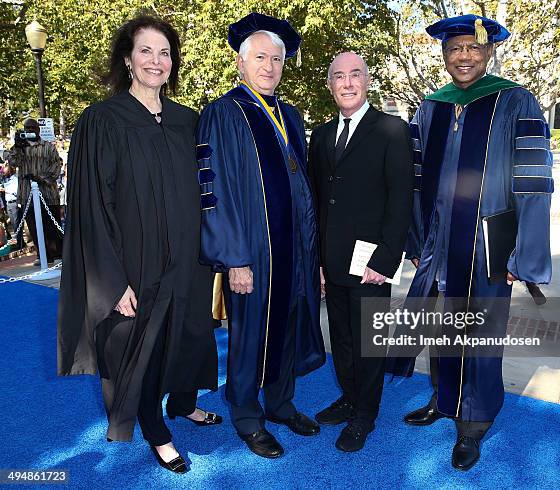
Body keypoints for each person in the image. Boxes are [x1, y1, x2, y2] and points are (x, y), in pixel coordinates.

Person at [388, 15, 553, 471]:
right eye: (454, 49)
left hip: (487, 242)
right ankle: (445, 401)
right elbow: (417, 178)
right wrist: (418, 238)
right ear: (443, 55)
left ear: (488, 52)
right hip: (441, 239)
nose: (463, 56)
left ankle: (474, 422)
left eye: (472, 48)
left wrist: (526, 251)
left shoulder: (514, 100)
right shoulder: (433, 106)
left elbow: (535, 180)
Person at [57, 16, 219, 474]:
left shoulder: (189, 121)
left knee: (189, 333)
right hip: (136, 263)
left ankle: (183, 401)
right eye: (146, 51)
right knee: (143, 345)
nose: (156, 60)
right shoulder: (102, 121)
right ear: (127, 60)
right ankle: (155, 427)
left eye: (164, 52)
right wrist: (112, 282)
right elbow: (90, 206)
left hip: (188, 258)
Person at [196, 12, 325, 459]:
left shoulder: (289, 115)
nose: (269, 66)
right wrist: (234, 258)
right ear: (240, 63)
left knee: (287, 325)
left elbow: (301, 186)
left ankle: (280, 403)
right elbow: (214, 194)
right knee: (251, 334)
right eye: (259, 58)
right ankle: (247, 417)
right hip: (251, 251)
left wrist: (313, 254)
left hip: (292, 249)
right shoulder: (223, 114)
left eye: (277, 58)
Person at [308, 52, 413, 452]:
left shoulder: (391, 130)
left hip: (372, 261)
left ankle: (364, 415)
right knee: (343, 338)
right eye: (339, 76)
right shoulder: (320, 136)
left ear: (367, 81)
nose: (347, 83)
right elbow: (319, 202)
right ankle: (350, 397)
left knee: (370, 342)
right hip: (332, 260)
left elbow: (401, 200)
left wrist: (386, 260)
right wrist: (317, 260)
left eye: (355, 75)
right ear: (330, 85)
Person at [7, 119, 63, 264]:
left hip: (48, 194)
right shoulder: (20, 146)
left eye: (33, 127)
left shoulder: (48, 146)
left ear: (38, 129)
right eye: (27, 127)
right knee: (33, 226)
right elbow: (13, 163)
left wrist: (41, 178)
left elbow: (57, 164)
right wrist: (18, 146)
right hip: (27, 194)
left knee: (52, 224)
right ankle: (43, 255)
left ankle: (57, 254)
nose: (30, 130)